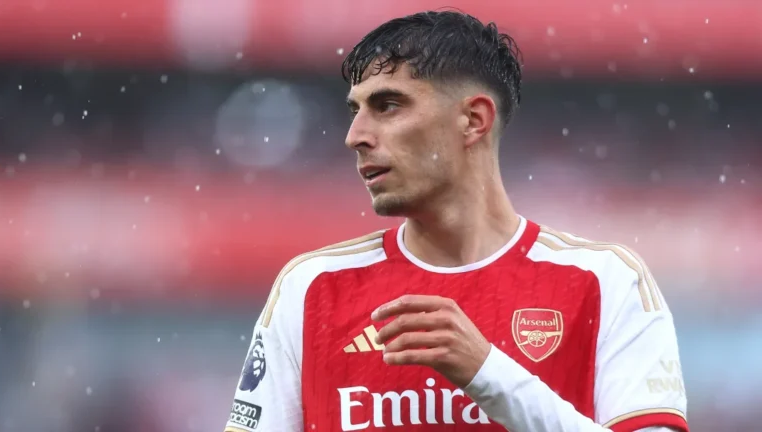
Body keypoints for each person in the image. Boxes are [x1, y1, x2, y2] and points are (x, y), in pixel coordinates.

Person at [224, 10, 688, 432]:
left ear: (473, 119)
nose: (355, 137)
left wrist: (486, 372)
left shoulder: (604, 280)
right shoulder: (312, 288)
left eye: (387, 106)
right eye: (355, 110)